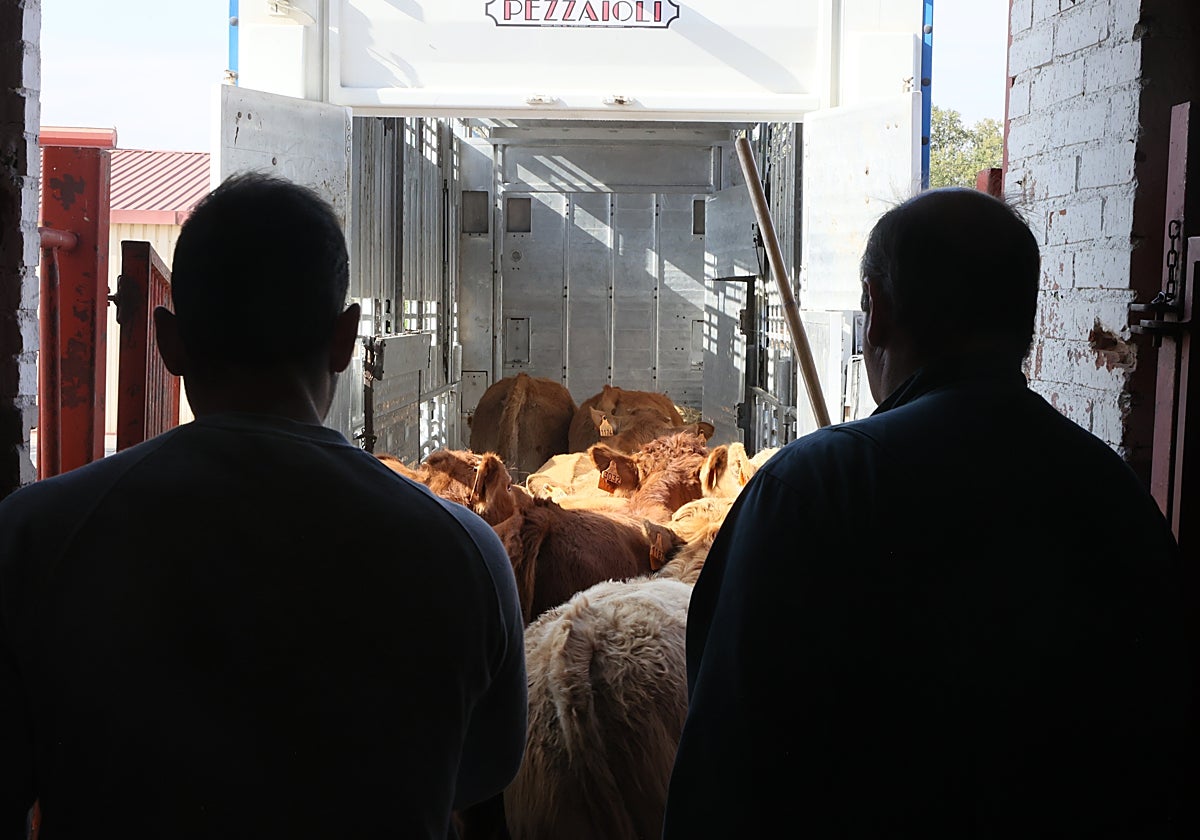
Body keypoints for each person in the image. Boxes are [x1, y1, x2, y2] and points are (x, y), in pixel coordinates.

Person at [0, 173, 527, 839]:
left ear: (169, 342)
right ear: (344, 338)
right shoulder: (466, 553)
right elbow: (482, 772)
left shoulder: (35, 537)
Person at [663, 187, 1198, 838]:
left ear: (877, 311)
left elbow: (725, 772)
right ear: (1025, 324)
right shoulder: (1118, 497)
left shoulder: (812, 489)